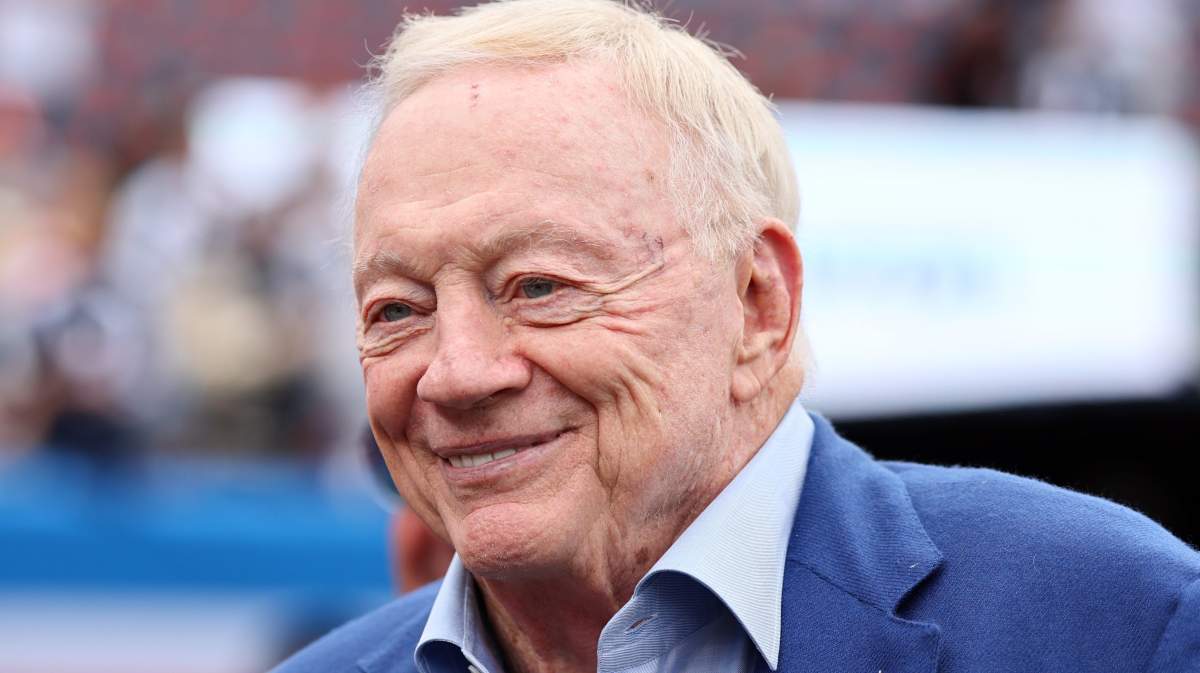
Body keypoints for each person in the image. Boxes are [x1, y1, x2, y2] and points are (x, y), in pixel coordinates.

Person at [275, 1, 1200, 672]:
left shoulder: (1118, 621)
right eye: (397, 309)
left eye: (540, 286)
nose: (456, 372)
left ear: (758, 304)